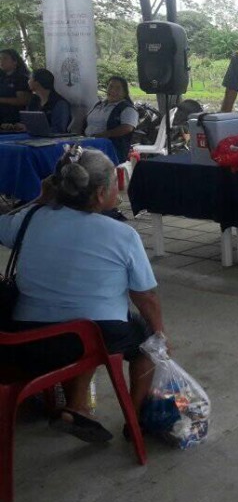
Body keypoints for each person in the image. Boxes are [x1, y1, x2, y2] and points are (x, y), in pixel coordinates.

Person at [0, 146, 168, 443]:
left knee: (87, 323)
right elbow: (146, 297)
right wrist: (160, 337)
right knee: (144, 343)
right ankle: (135, 422)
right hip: (87, 339)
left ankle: (76, 407)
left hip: (25, 341)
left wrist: (39, 200)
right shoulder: (122, 235)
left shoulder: (31, 219)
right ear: (101, 194)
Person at [83, 75, 138, 159]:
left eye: (118, 88)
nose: (113, 90)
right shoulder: (99, 105)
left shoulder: (127, 108)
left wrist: (103, 135)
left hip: (109, 149)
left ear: (124, 92)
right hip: (89, 142)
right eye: (110, 86)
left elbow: (127, 128)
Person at [25, 68, 72, 133]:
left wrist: (32, 128)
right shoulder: (34, 101)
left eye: (30, 78)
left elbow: (59, 129)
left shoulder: (60, 104)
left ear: (37, 83)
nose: (28, 81)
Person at [0, 48, 31, 126]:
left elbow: (23, 100)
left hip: (16, 122)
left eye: (5, 58)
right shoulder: (2, 78)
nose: (1, 61)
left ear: (15, 61)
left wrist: (1, 100)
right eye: (0, 58)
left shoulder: (22, 78)